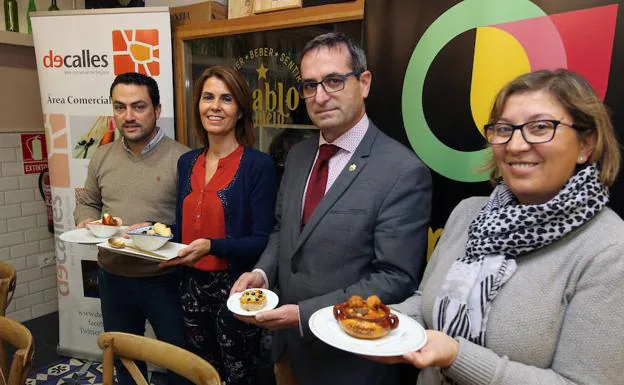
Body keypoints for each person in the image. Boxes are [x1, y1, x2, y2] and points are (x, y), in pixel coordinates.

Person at [386, 69, 624, 384]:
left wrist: (457, 357)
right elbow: (427, 301)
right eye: (504, 129)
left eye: (540, 127)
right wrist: (385, 322)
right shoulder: (469, 213)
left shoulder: (609, 249)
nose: (514, 145)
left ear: (586, 143)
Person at [231, 32, 433, 385]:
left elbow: (395, 278)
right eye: (310, 85)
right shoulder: (297, 155)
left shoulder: (402, 172)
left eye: (334, 81)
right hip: (288, 350)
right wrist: (261, 274)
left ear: (364, 82)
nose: (320, 96)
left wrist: (303, 315)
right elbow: (283, 231)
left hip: (349, 362)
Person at [159, 65, 277, 385]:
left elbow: (262, 239)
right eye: (207, 97)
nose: (215, 106)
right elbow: (185, 228)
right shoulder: (187, 162)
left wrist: (214, 245)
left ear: (239, 110)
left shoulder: (258, 165)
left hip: (235, 289)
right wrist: (149, 235)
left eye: (226, 99)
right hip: (189, 288)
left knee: (240, 375)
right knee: (202, 373)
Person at [74, 72, 190, 385]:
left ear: (157, 109)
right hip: (113, 277)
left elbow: (194, 224)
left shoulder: (183, 159)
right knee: (125, 360)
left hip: (165, 280)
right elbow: (88, 202)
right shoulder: (102, 155)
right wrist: (85, 220)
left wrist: (158, 230)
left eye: (138, 107)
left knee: (180, 362)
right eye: (120, 107)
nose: (128, 116)